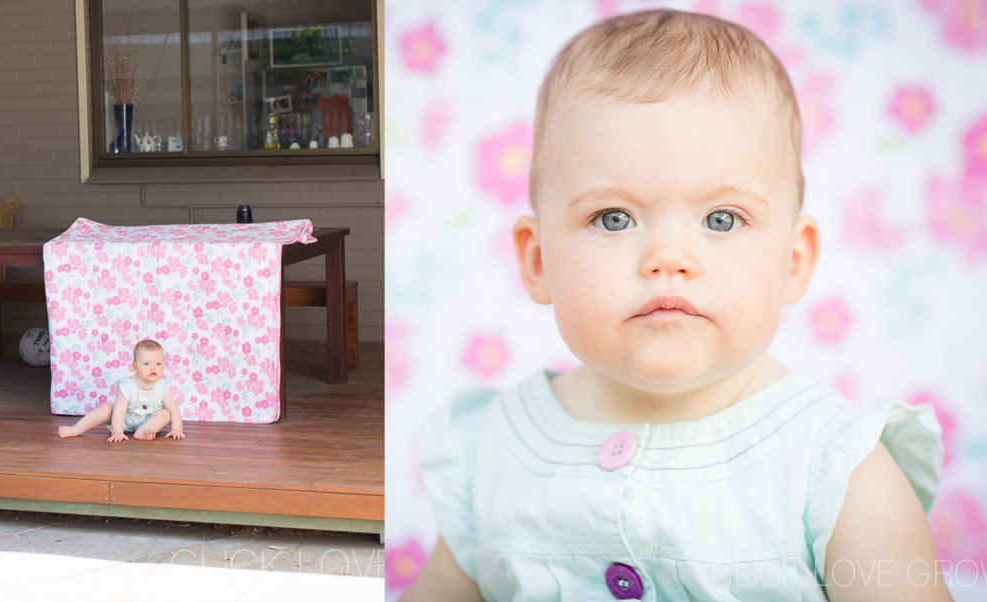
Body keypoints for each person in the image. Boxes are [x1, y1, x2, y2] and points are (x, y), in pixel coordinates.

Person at [404, 9, 950, 602]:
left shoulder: (838, 470)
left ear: (794, 261)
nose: (667, 257)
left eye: (722, 218)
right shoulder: (493, 452)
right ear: (538, 262)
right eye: (614, 218)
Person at [58, 339, 185, 442]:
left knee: (166, 413)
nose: (153, 367)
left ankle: (143, 431)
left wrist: (177, 429)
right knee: (108, 409)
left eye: (158, 364)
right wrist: (117, 431)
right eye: (146, 363)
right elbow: (119, 411)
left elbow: (174, 409)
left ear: (163, 366)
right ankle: (76, 429)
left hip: (149, 421)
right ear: (135, 367)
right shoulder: (127, 386)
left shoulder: (163, 386)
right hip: (124, 420)